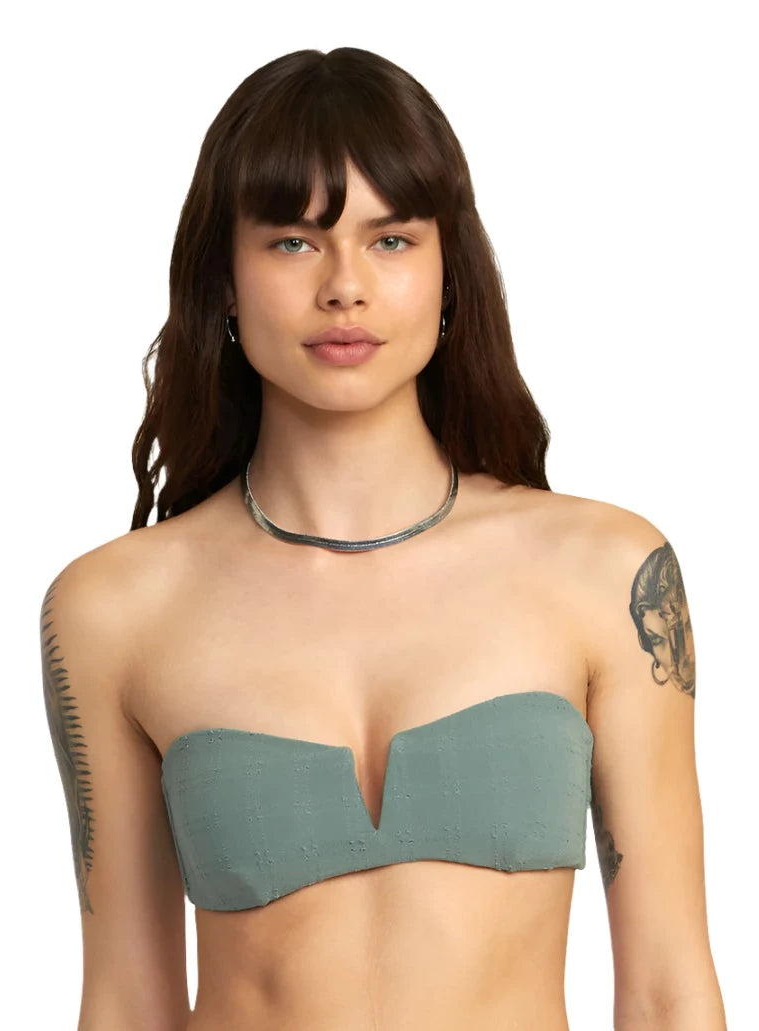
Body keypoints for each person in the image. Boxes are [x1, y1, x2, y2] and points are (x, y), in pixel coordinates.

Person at [39, 47, 726, 1031]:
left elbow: (667, 991)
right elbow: (125, 1002)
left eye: (391, 238)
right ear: (222, 279)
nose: (345, 287)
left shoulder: (607, 573)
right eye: (292, 241)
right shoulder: (114, 608)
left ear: (449, 272)